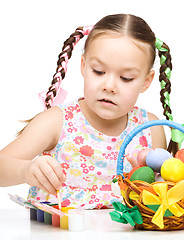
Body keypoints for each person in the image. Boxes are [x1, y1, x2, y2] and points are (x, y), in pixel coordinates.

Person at [0, 14, 176, 209]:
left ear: (146, 81)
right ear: (84, 66)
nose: (109, 86)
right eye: (99, 71)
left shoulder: (149, 129)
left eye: (126, 78)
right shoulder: (57, 122)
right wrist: (25, 170)